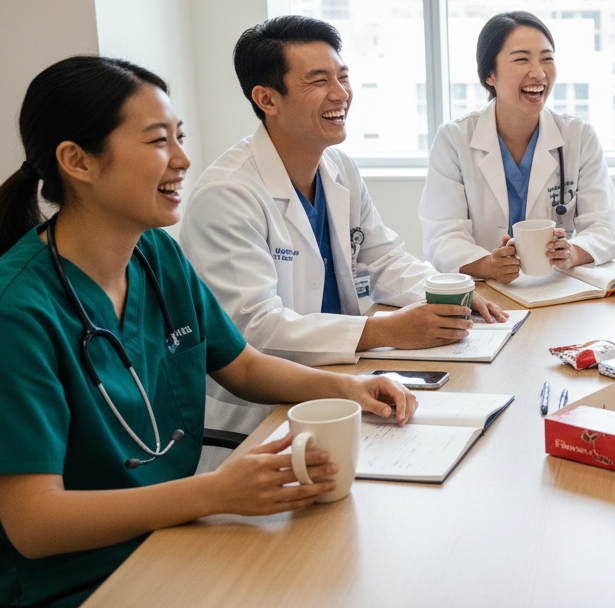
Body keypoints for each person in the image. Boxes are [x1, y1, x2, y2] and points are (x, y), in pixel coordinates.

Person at [0, 57, 418, 607]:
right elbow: (34, 524)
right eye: (157, 142)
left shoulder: (154, 255)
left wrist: (349, 388)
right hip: (83, 580)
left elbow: (240, 364)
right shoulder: (20, 312)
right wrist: (214, 493)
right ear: (77, 161)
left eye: (179, 136)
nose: (182, 159)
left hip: (175, 536)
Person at [181, 16, 504, 441]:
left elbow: (383, 257)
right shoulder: (226, 196)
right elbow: (254, 332)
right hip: (262, 418)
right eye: (318, 81)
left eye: (343, 76)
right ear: (267, 99)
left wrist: (448, 291)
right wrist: (384, 330)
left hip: (344, 380)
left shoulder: (338, 168)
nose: (341, 94)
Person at [420, 11, 615, 280]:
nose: (538, 73)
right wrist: (487, 265)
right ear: (489, 74)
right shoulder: (454, 140)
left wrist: (573, 252)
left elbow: (605, 226)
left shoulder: (579, 136)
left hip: (557, 289)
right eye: (521, 60)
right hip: (487, 292)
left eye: (547, 58)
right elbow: (441, 235)